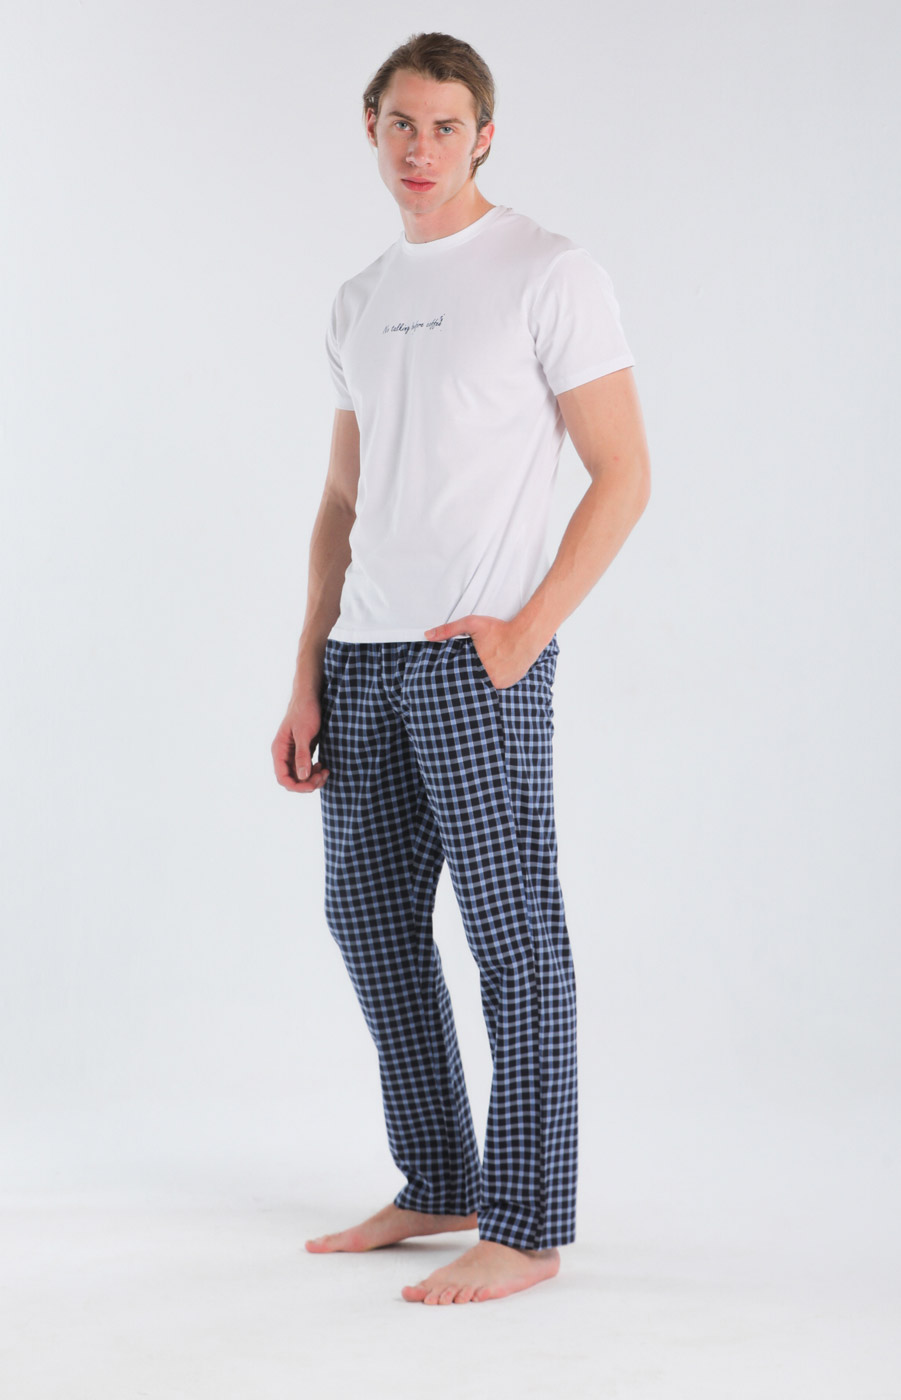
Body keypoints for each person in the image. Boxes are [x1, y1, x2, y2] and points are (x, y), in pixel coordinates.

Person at [271, 31, 651, 1305]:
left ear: (484, 136)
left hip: (477, 660)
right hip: (365, 658)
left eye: (445, 127)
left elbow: (624, 471)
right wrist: (308, 668)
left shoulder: (549, 270)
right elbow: (343, 497)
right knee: (368, 916)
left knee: (512, 934)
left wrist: (523, 633)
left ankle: (527, 1222)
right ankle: (440, 1178)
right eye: (401, 125)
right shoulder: (359, 298)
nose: (421, 149)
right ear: (370, 130)